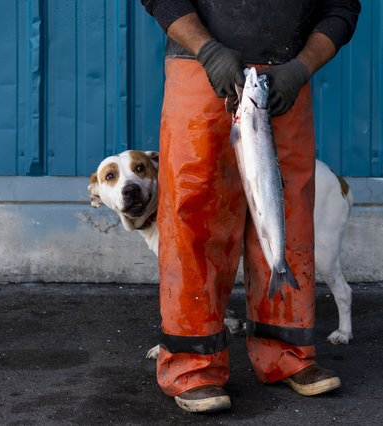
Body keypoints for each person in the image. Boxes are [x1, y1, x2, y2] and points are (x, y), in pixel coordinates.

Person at [140, 0, 361, 413]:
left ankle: (289, 355)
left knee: (288, 220)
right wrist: (207, 49)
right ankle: (192, 367)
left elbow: (341, 8)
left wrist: (301, 69)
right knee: (196, 222)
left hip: (284, 80)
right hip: (198, 70)